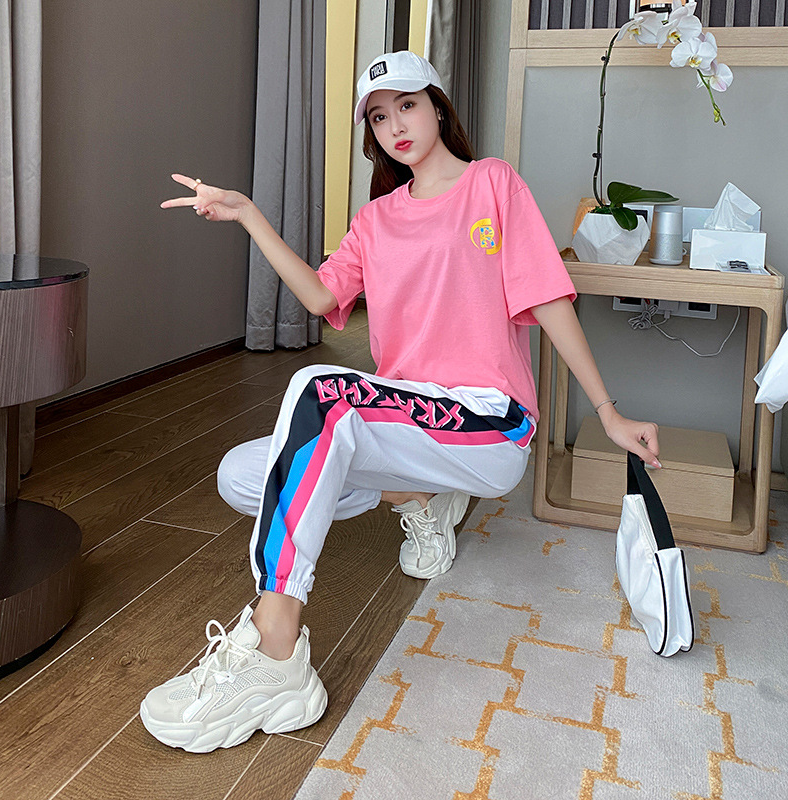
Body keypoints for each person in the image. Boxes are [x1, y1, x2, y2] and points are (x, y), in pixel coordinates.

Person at [140, 50, 661, 753]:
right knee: (243, 474)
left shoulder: (492, 183)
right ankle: (420, 499)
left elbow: (547, 297)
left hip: (488, 419)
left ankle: (274, 650)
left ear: (438, 107)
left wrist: (607, 412)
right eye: (380, 118)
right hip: (408, 421)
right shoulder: (376, 220)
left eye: (407, 106)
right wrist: (249, 216)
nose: (396, 126)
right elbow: (321, 297)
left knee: (320, 394)